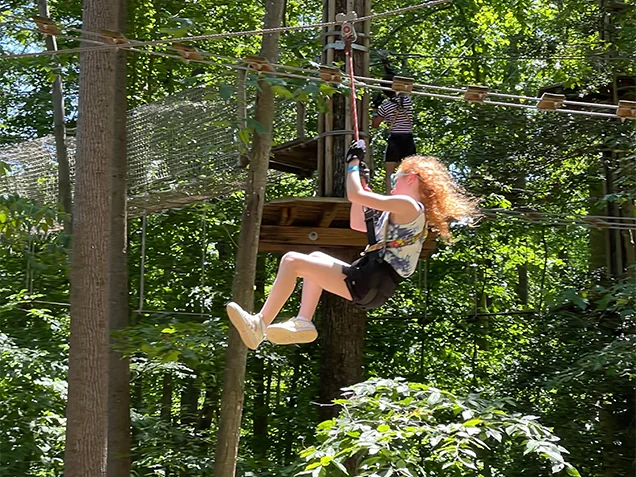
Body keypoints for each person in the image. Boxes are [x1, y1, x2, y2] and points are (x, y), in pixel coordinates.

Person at [226, 140, 478, 350]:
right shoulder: (400, 214)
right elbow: (359, 223)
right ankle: (303, 321)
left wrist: (353, 165)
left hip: (371, 279)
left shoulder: (409, 206)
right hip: (372, 280)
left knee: (292, 260)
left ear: (411, 178)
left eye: (396, 177)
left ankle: (259, 324)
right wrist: (363, 187)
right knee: (315, 256)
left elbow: (354, 194)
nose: (393, 183)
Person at [371, 68, 417, 194]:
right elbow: (401, 87)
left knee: (390, 173)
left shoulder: (385, 106)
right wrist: (388, 68)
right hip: (408, 138)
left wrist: (375, 108)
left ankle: (389, 194)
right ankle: (411, 195)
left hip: (395, 139)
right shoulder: (407, 100)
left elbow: (375, 124)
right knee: (410, 173)